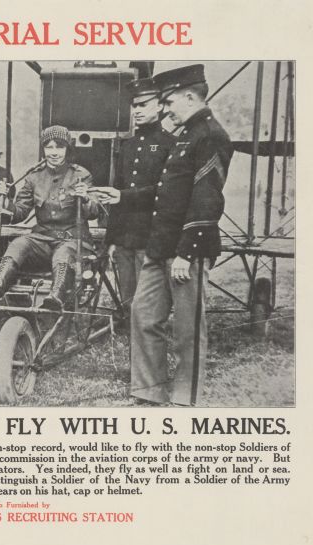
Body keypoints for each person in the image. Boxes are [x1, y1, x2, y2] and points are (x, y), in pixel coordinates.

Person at [103, 64, 233, 405]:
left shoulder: (210, 135)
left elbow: (207, 199)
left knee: (187, 328)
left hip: (184, 251)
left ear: (190, 97)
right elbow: (167, 194)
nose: (166, 107)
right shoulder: (187, 134)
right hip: (159, 247)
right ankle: (148, 390)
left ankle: (184, 396)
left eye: (170, 100)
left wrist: (186, 253)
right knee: (143, 315)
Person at [0, 125, 99, 310]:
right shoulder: (34, 177)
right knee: (19, 244)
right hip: (42, 240)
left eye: (59, 147)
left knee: (64, 253)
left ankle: (55, 298)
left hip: (74, 241)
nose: (54, 152)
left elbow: (94, 212)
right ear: (43, 149)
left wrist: (85, 197)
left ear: (67, 149)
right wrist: (4, 200)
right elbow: (19, 212)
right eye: (49, 147)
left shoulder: (81, 175)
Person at [104, 78, 175, 326]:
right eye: (135, 106)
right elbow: (118, 191)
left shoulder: (170, 145)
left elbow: (166, 192)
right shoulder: (129, 146)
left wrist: (124, 197)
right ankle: (133, 336)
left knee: (148, 303)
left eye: (144, 104)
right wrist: (111, 239)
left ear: (161, 106)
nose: (137, 110)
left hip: (150, 236)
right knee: (128, 298)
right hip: (125, 237)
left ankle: (147, 338)